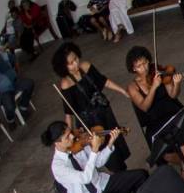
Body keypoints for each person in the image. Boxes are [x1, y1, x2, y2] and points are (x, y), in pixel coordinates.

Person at [43, 121, 148, 193]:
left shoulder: (78, 144)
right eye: (67, 136)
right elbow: (85, 178)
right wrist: (94, 150)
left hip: (102, 182)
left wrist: (109, 144)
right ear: (57, 143)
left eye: (71, 132)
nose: (73, 136)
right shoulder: (58, 167)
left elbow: (98, 162)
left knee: (141, 175)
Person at [54, 41, 131, 171]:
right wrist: (67, 134)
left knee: (115, 140)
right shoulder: (66, 83)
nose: (75, 64)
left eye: (76, 59)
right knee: (104, 149)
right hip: (88, 122)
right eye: (70, 63)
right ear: (63, 67)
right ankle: (120, 174)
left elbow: (103, 81)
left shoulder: (86, 66)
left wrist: (122, 90)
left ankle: (124, 171)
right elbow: (69, 113)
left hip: (104, 112)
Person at [125, 45, 184, 180]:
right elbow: (144, 107)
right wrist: (154, 87)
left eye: (145, 62)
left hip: (171, 113)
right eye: (139, 66)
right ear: (133, 68)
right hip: (153, 122)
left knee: (183, 133)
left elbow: (173, 95)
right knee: (164, 153)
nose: (145, 67)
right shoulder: (132, 87)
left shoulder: (159, 71)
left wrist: (177, 84)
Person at [0, 35, 35, 124]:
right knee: (10, 107)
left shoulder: (4, 56)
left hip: (15, 82)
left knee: (29, 83)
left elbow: (14, 59)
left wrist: (17, 71)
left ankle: (23, 107)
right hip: (4, 91)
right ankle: (10, 119)